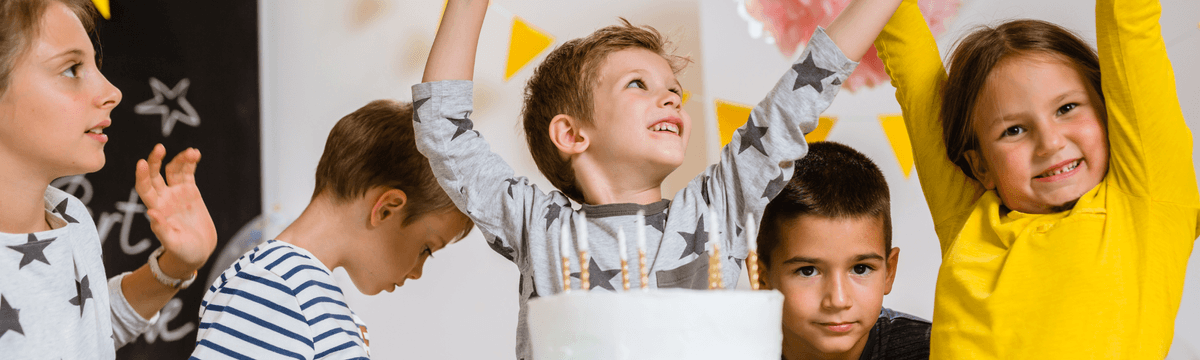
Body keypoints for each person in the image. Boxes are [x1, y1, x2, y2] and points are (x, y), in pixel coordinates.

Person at [414, 0, 898, 357]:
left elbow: (802, 91)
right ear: (571, 133)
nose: (670, 99)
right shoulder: (538, 227)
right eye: (638, 85)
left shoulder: (717, 209)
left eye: (674, 90)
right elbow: (442, 130)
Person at [874, 0, 1198, 356]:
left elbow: (1129, 23)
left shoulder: (1144, 200)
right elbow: (912, 70)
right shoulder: (970, 218)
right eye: (1013, 130)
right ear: (981, 166)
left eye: (1067, 108)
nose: (1050, 143)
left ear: (1111, 113)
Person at [0, 0, 218, 358]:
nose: (112, 93)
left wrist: (176, 265)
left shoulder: (71, 215)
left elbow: (83, 332)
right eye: (71, 69)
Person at [190, 100, 473, 359]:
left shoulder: (301, 293)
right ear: (386, 209)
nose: (417, 272)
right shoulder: (274, 289)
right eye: (426, 248)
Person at [757, 141, 929, 360]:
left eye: (860, 268)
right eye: (808, 271)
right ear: (761, 278)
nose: (838, 300)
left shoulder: (935, 350)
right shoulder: (724, 350)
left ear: (889, 272)